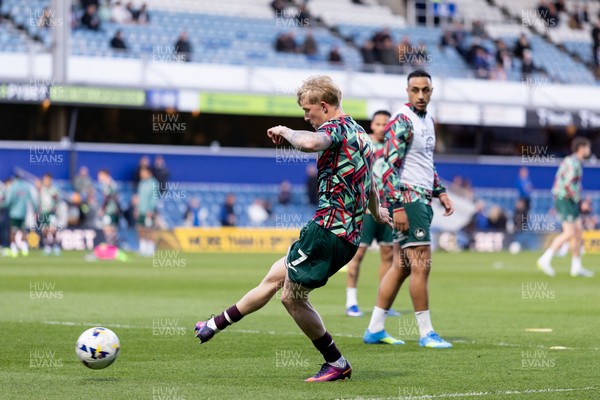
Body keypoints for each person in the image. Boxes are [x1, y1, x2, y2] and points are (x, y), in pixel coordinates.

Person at [194, 75, 391, 382]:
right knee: (275, 276)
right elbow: (371, 183)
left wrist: (285, 130)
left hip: (328, 231)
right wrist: (377, 213)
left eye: (307, 110)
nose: (305, 117)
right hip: (344, 235)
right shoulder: (361, 134)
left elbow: (312, 142)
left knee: (291, 297)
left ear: (324, 106)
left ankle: (336, 361)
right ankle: (214, 324)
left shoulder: (335, 128)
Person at [363, 69, 455, 348]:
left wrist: (441, 191)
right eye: (415, 90)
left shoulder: (428, 121)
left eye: (425, 90)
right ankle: (426, 333)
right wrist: (398, 205)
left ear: (431, 91)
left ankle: (375, 328)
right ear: (407, 91)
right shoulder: (401, 121)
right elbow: (388, 166)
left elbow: (427, 162)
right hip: (409, 200)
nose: (420, 95)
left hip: (422, 198)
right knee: (420, 265)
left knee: (401, 266)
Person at [344, 110, 398, 317]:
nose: (383, 127)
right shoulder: (363, 144)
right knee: (357, 255)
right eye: (378, 123)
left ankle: (383, 305)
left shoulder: (394, 148)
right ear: (372, 126)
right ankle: (351, 302)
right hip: (366, 209)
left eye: (386, 123)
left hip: (389, 207)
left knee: (387, 256)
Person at [537, 137, 594, 278]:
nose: (589, 150)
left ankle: (576, 266)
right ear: (581, 148)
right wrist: (581, 202)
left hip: (569, 200)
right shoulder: (573, 162)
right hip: (565, 199)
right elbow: (568, 184)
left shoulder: (575, 161)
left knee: (578, 231)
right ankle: (545, 259)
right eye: (587, 147)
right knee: (569, 233)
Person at [5, 173, 36, 257]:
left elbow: (8, 201)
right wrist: (36, 209)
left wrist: (3, 205)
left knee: (13, 231)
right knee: (23, 230)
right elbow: (31, 200)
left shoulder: (13, 186)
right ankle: (25, 248)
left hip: (14, 213)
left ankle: (14, 248)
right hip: (23, 212)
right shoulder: (26, 187)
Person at [136, 166, 158, 257]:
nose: (141, 174)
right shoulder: (141, 183)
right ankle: (142, 248)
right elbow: (139, 197)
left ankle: (150, 248)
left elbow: (154, 198)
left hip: (149, 210)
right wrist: (137, 208)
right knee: (140, 228)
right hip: (141, 210)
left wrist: (151, 209)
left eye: (143, 172)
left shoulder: (153, 183)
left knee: (149, 229)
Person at [38, 173, 61, 256]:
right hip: (44, 212)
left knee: (53, 229)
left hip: (51, 212)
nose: (46, 181)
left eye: (47, 179)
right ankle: (47, 246)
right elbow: (40, 201)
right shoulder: (42, 189)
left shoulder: (53, 189)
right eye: (45, 179)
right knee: (44, 230)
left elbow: (57, 199)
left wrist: (54, 199)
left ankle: (55, 246)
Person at [97, 169, 120, 246]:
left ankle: (110, 245)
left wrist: (102, 209)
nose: (99, 177)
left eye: (100, 175)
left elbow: (107, 198)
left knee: (107, 227)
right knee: (112, 227)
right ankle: (113, 245)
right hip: (113, 209)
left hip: (109, 210)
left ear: (105, 175)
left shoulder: (108, 184)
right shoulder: (112, 183)